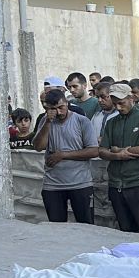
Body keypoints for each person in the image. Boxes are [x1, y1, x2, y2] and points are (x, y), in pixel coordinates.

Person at [98, 82, 139, 235]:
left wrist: (121, 150)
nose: (118, 107)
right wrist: (117, 155)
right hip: (116, 182)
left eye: (122, 103)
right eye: (115, 104)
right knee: (124, 230)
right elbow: (102, 151)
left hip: (137, 181)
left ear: (131, 97)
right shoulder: (112, 122)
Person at [32, 89, 99, 223]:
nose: (59, 112)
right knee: (56, 227)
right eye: (53, 109)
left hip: (80, 183)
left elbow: (93, 151)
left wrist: (63, 155)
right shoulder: (46, 121)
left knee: (86, 225)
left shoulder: (82, 121)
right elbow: (38, 146)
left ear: (67, 103)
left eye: (61, 107)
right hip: (53, 184)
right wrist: (48, 122)